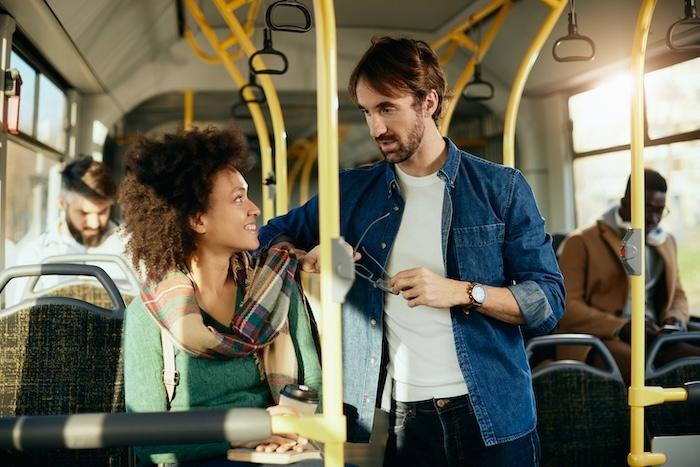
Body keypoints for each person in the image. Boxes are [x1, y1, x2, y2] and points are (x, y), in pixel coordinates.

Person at [259, 37, 565, 467]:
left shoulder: (502, 189)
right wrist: (303, 256)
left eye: (387, 108)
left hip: (493, 415)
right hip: (396, 419)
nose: (375, 128)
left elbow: (548, 301)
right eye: (366, 111)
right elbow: (265, 238)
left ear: (428, 102)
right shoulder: (347, 193)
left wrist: (463, 292)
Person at [119, 127, 322, 465]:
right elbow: (147, 441)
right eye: (238, 198)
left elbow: (314, 382)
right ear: (198, 219)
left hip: (280, 451)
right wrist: (250, 432)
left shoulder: (275, 286)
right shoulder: (148, 314)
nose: (254, 208)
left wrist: (293, 430)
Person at [558, 168, 698, 384]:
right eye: (647, 209)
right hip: (601, 337)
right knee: (636, 369)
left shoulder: (666, 241)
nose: (653, 219)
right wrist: (621, 326)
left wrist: (676, 319)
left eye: (660, 211)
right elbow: (567, 306)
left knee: (693, 361)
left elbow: (678, 294)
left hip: (653, 335)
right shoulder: (581, 242)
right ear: (625, 202)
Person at [8, 156, 128, 303]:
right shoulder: (35, 254)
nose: (95, 223)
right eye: (84, 213)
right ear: (62, 203)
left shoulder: (129, 246)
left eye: (102, 211)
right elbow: (20, 318)